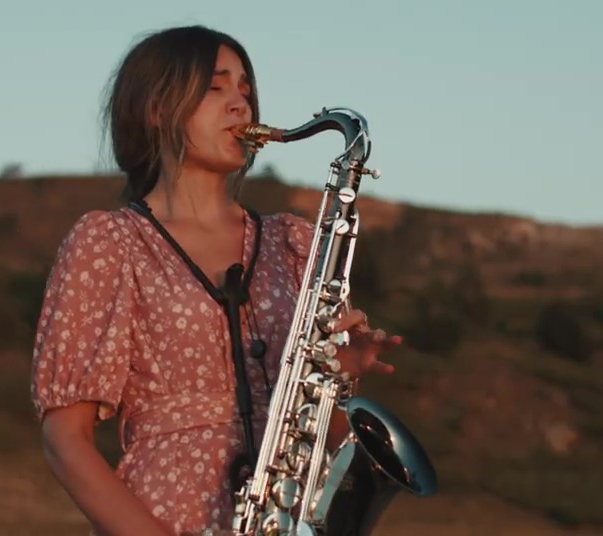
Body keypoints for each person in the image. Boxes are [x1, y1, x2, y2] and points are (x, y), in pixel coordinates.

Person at [29, 25, 403, 536]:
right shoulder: (111, 242)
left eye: (245, 89)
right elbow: (64, 441)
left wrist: (336, 376)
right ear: (156, 108)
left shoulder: (295, 245)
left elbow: (320, 439)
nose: (240, 104)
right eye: (215, 86)